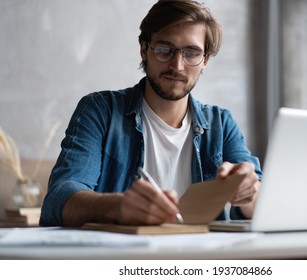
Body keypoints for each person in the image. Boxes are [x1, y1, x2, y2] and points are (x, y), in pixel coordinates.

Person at [40, 0, 262, 227]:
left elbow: (263, 204)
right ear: (144, 49)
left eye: (191, 53)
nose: (177, 66)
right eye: (165, 50)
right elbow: (59, 198)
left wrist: (248, 193)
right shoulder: (100, 111)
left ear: (205, 60)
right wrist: (118, 207)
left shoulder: (221, 124)